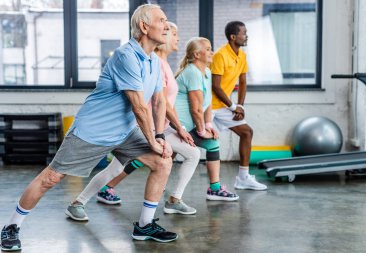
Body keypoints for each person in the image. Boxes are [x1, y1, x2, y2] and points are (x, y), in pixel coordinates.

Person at [1, 4, 178, 251]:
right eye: (162, 20)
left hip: (124, 131)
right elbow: (140, 106)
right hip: (92, 131)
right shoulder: (125, 55)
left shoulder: (153, 61)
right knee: (51, 177)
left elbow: (158, 100)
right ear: (144, 26)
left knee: (162, 161)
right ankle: (11, 227)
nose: (167, 26)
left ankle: (145, 226)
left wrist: (159, 136)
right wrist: (152, 141)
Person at [64, 21, 201, 220]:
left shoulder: (163, 63)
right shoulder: (156, 63)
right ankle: (171, 202)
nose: (177, 37)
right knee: (190, 154)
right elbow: (158, 103)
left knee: (118, 168)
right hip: (149, 129)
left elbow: (164, 103)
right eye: (173, 33)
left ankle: (79, 202)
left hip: (159, 129)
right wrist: (173, 129)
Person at [175, 37, 239, 201]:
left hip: (188, 126)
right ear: (197, 54)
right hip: (178, 126)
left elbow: (207, 103)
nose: (212, 52)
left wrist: (208, 124)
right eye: (208, 49)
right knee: (152, 157)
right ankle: (108, 186)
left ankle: (215, 189)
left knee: (212, 144)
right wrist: (202, 131)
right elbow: (195, 109)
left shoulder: (206, 72)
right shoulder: (192, 72)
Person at [210, 21, 267, 191]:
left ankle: (243, 178)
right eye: (243, 33)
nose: (246, 35)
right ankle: (162, 170)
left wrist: (240, 107)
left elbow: (242, 82)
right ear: (233, 37)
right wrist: (233, 107)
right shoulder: (220, 55)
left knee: (247, 132)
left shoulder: (242, 56)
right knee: (186, 140)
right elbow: (215, 86)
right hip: (208, 105)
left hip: (223, 106)